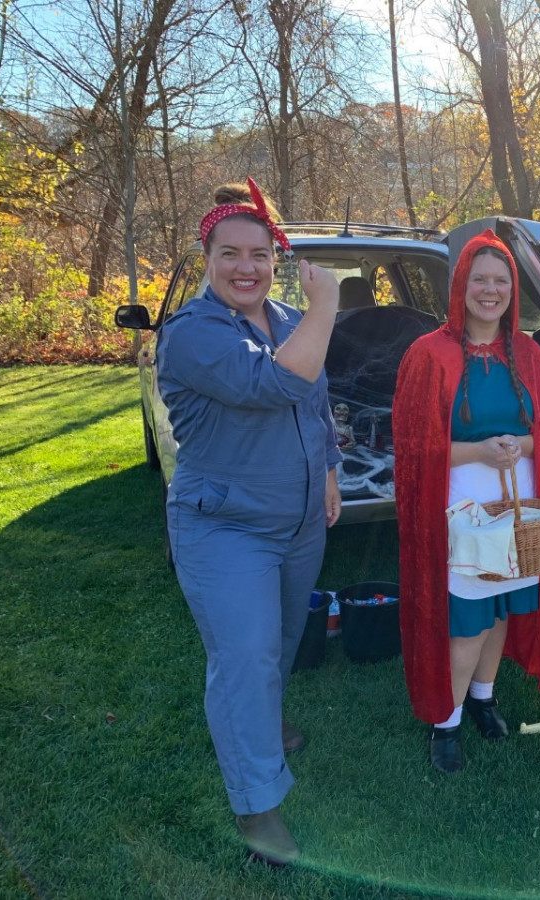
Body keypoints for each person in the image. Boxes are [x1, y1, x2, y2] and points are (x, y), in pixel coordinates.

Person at [157, 178, 342, 864]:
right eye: (230, 253)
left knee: (282, 638)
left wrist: (327, 474)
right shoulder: (193, 334)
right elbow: (277, 385)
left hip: (299, 521)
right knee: (245, 657)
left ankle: (262, 725)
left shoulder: (291, 321)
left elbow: (317, 403)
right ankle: (257, 808)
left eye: (259, 254)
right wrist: (328, 306)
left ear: (275, 258)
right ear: (208, 259)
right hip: (225, 525)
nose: (246, 267)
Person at [392, 230, 540, 774]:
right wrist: (478, 451)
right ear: (460, 285)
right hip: (460, 507)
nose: (489, 291)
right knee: (467, 617)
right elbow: (414, 443)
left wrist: (521, 445)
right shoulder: (430, 354)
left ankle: (483, 697)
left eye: (500, 280)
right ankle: (444, 722)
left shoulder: (532, 355)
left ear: (513, 290)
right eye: (479, 279)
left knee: (500, 613)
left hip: (518, 508)